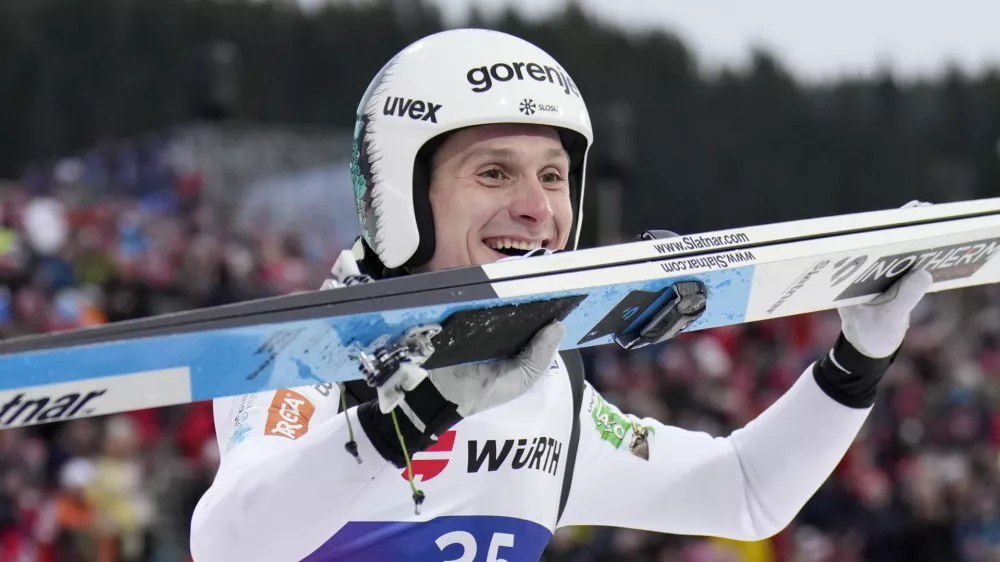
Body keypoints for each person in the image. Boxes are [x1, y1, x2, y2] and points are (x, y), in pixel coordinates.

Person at [190, 29, 934, 562]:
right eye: (494, 173)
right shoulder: (313, 354)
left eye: (552, 177)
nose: (537, 210)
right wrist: (406, 422)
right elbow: (230, 544)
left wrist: (857, 360)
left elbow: (742, 493)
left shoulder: (545, 382)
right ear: (400, 194)